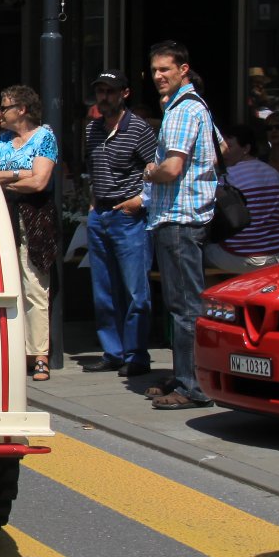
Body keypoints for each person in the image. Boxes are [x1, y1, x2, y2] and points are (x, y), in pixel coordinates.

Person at [142, 40, 221, 410]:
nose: (158, 76)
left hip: (178, 218)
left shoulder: (181, 110)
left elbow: (171, 169)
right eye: (154, 70)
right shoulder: (196, 106)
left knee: (185, 306)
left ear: (183, 69)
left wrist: (150, 171)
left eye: (165, 69)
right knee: (182, 304)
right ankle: (185, 374)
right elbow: (222, 151)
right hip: (185, 217)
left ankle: (193, 386)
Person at [82, 69, 159, 377]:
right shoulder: (92, 129)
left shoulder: (138, 128)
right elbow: (92, 169)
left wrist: (140, 201)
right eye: (100, 91)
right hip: (100, 214)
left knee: (135, 291)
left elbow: (156, 169)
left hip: (129, 216)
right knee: (103, 290)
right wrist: (92, 206)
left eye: (110, 91)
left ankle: (137, 355)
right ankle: (113, 352)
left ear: (125, 94)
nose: (104, 97)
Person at [0, 84, 58, 382]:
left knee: (34, 284)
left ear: (22, 110)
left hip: (34, 216)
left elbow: (39, 182)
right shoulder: (2, 139)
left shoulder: (44, 137)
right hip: (4, 214)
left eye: (5, 107)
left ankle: (39, 355)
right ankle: (11, 350)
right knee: (4, 282)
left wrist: (4, 177)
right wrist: (20, 174)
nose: (0, 113)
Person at [206, 124, 279, 273]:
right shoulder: (273, 173)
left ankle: (216, 289)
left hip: (241, 257)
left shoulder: (226, 178)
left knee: (197, 252)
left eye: (228, 146)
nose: (222, 152)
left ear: (246, 148)